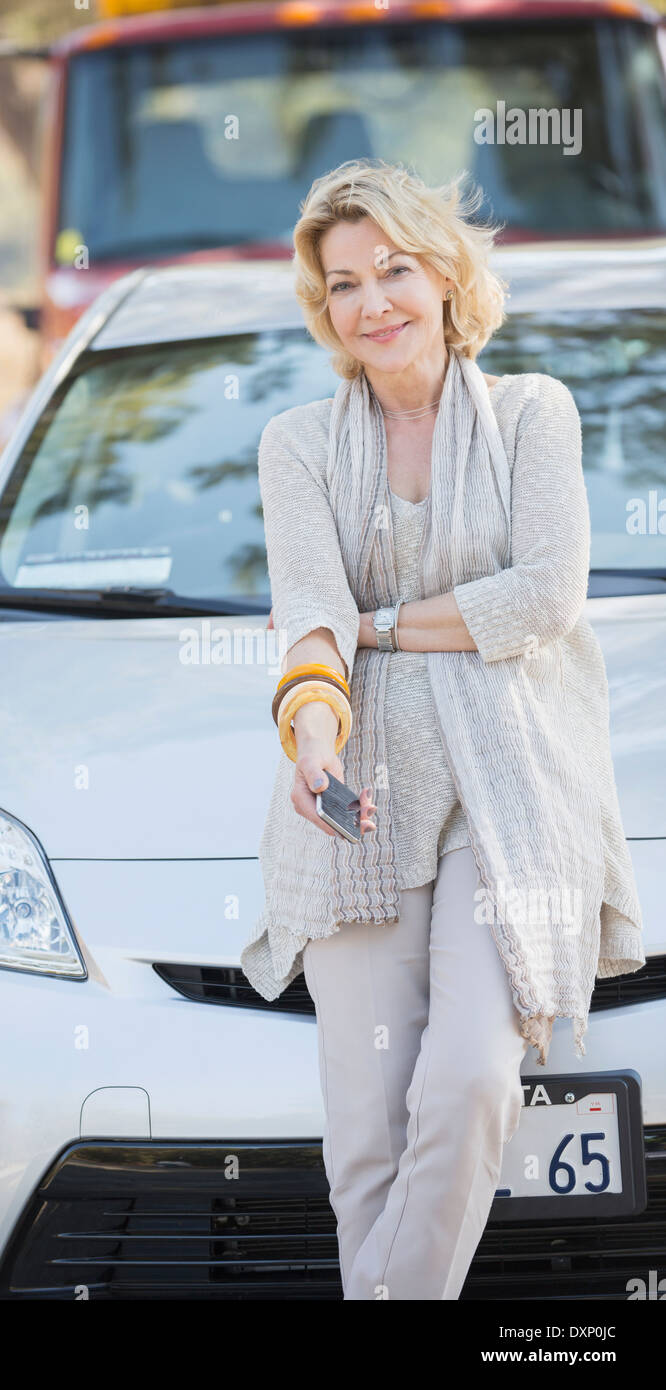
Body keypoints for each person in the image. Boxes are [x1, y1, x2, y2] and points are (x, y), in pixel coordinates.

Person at [240, 158, 644, 1300]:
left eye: (394, 270)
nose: (374, 302)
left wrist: (373, 624)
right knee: (366, 1134)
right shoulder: (299, 447)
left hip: (508, 797)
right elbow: (310, 620)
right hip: (360, 799)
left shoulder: (531, 414)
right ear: (324, 308)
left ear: (444, 272)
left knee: (466, 1080)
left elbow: (541, 597)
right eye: (344, 285)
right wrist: (311, 730)